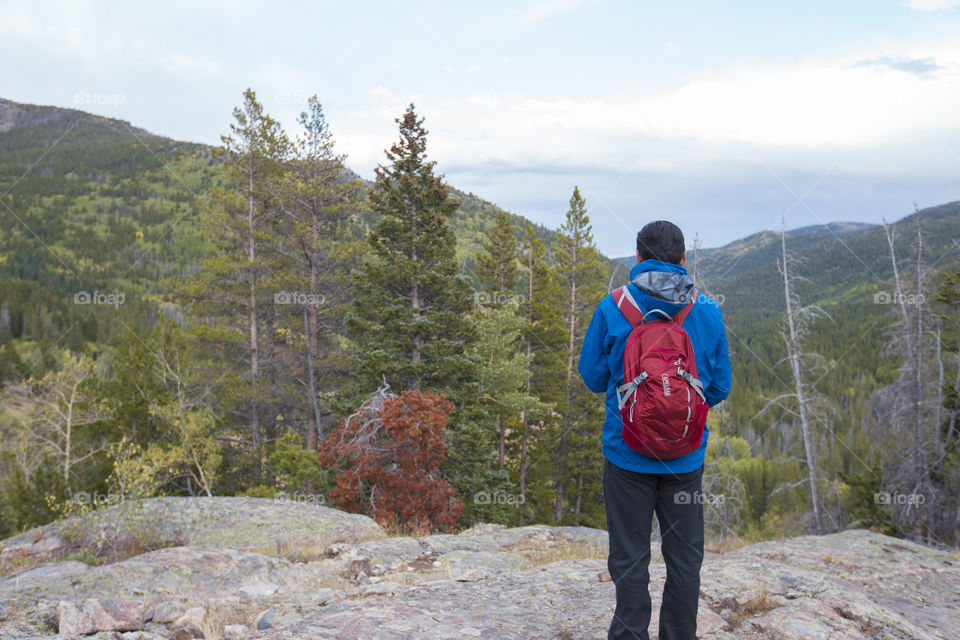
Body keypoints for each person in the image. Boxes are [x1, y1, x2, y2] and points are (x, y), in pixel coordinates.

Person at [578, 220, 732, 640]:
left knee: (629, 556)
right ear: (683, 260)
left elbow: (592, 377)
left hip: (627, 455)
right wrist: (678, 415)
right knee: (684, 557)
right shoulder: (707, 309)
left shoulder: (613, 306)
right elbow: (719, 386)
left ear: (638, 258)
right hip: (685, 459)